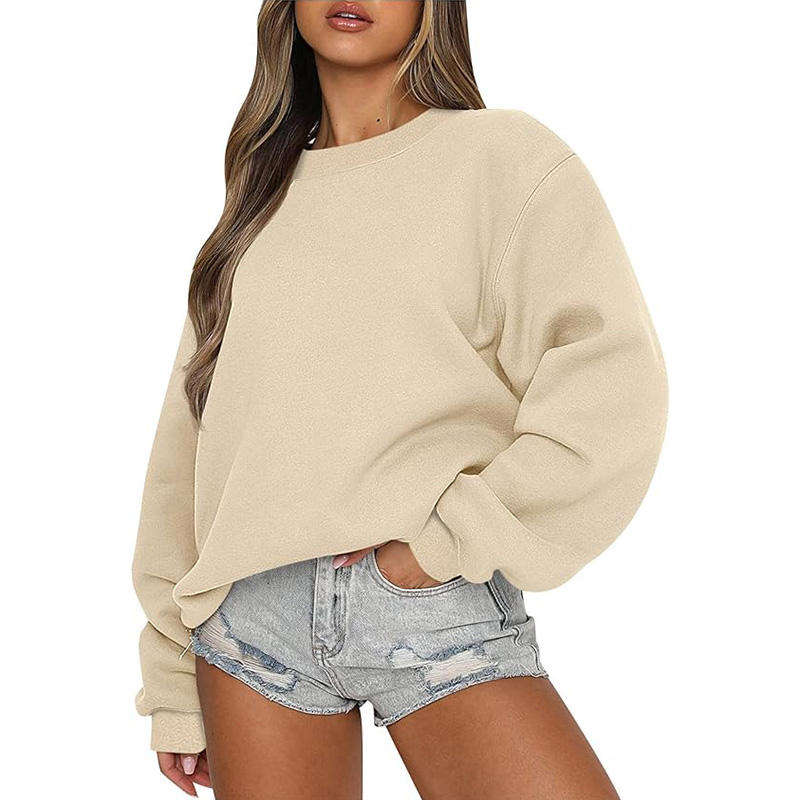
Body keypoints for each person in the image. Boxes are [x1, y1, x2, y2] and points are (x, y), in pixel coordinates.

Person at [132, 2, 668, 797]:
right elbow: (190, 441)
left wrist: (445, 544)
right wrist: (175, 678)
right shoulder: (258, 198)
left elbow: (611, 386)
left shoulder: (503, 160)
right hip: (251, 629)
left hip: (428, 598)